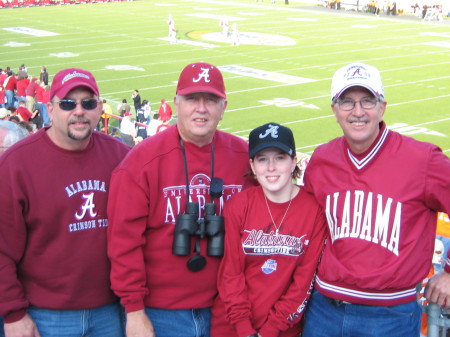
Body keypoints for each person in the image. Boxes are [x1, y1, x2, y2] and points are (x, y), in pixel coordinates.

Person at [301, 62, 450, 337]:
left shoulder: (422, 160)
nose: (358, 112)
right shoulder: (322, 160)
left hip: (390, 316)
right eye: (347, 102)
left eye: (367, 100)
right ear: (334, 110)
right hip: (324, 310)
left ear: (382, 106)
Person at [107, 62, 255, 337]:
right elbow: (123, 243)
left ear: (224, 107)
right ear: (176, 103)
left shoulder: (246, 158)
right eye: (191, 99)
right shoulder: (142, 163)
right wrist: (134, 310)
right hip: (161, 313)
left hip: (228, 309)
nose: (201, 108)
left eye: (211, 100)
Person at [0, 67, 130, 337]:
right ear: (50, 107)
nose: (79, 111)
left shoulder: (120, 155)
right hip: (44, 315)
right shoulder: (17, 164)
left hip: (110, 312)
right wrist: (13, 314)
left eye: (89, 103)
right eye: (68, 103)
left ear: (99, 109)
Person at [211, 123, 327, 337]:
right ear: (253, 166)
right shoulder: (238, 205)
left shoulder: (314, 211)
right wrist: (244, 329)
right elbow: (230, 273)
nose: (271, 167)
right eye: (262, 159)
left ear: (294, 162)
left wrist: (270, 330)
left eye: (280, 157)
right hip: (232, 327)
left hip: (282, 330)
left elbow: (304, 281)